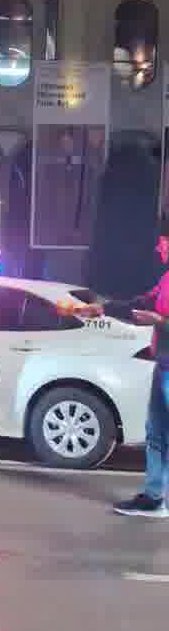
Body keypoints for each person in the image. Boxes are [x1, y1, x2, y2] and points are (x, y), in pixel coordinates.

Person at [114, 220, 169, 517]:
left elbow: (158, 317)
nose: (158, 248)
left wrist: (159, 321)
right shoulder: (166, 279)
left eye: (163, 241)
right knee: (156, 434)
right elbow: (143, 301)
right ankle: (153, 497)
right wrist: (103, 308)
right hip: (163, 365)